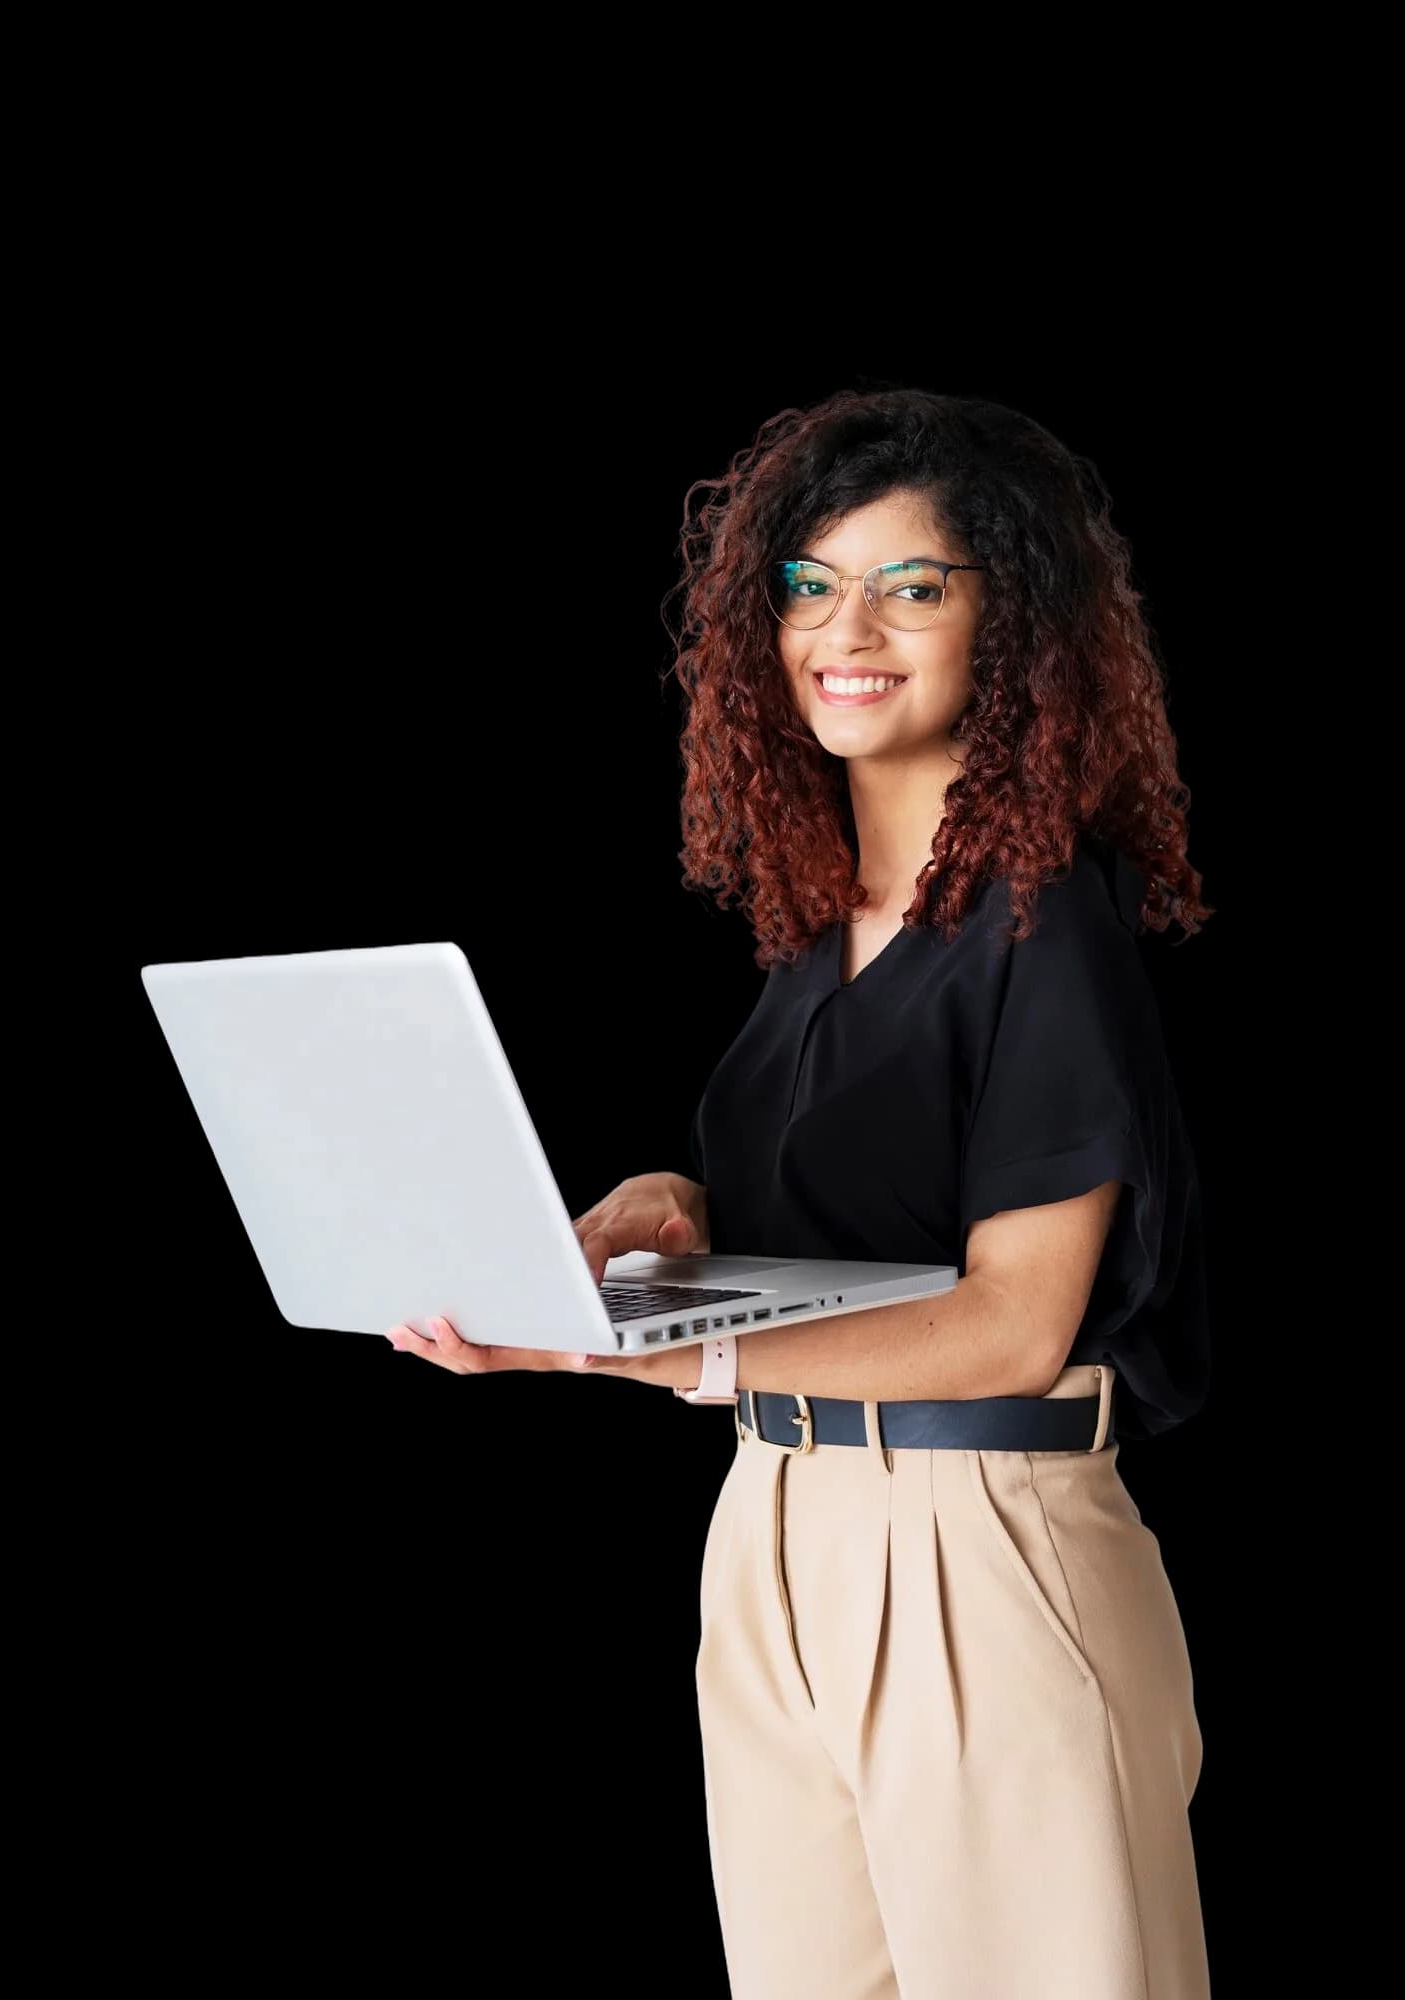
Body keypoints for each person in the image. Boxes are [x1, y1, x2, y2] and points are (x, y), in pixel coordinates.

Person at [386, 384, 1215, 1999]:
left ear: (1011, 625)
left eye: (915, 584)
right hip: (776, 1528)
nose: (850, 627)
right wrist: (666, 1208)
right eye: (811, 584)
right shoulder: (825, 934)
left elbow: (1006, 1322)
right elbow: (874, 1218)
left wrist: (623, 1352)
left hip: (979, 1543)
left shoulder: (1050, 933)